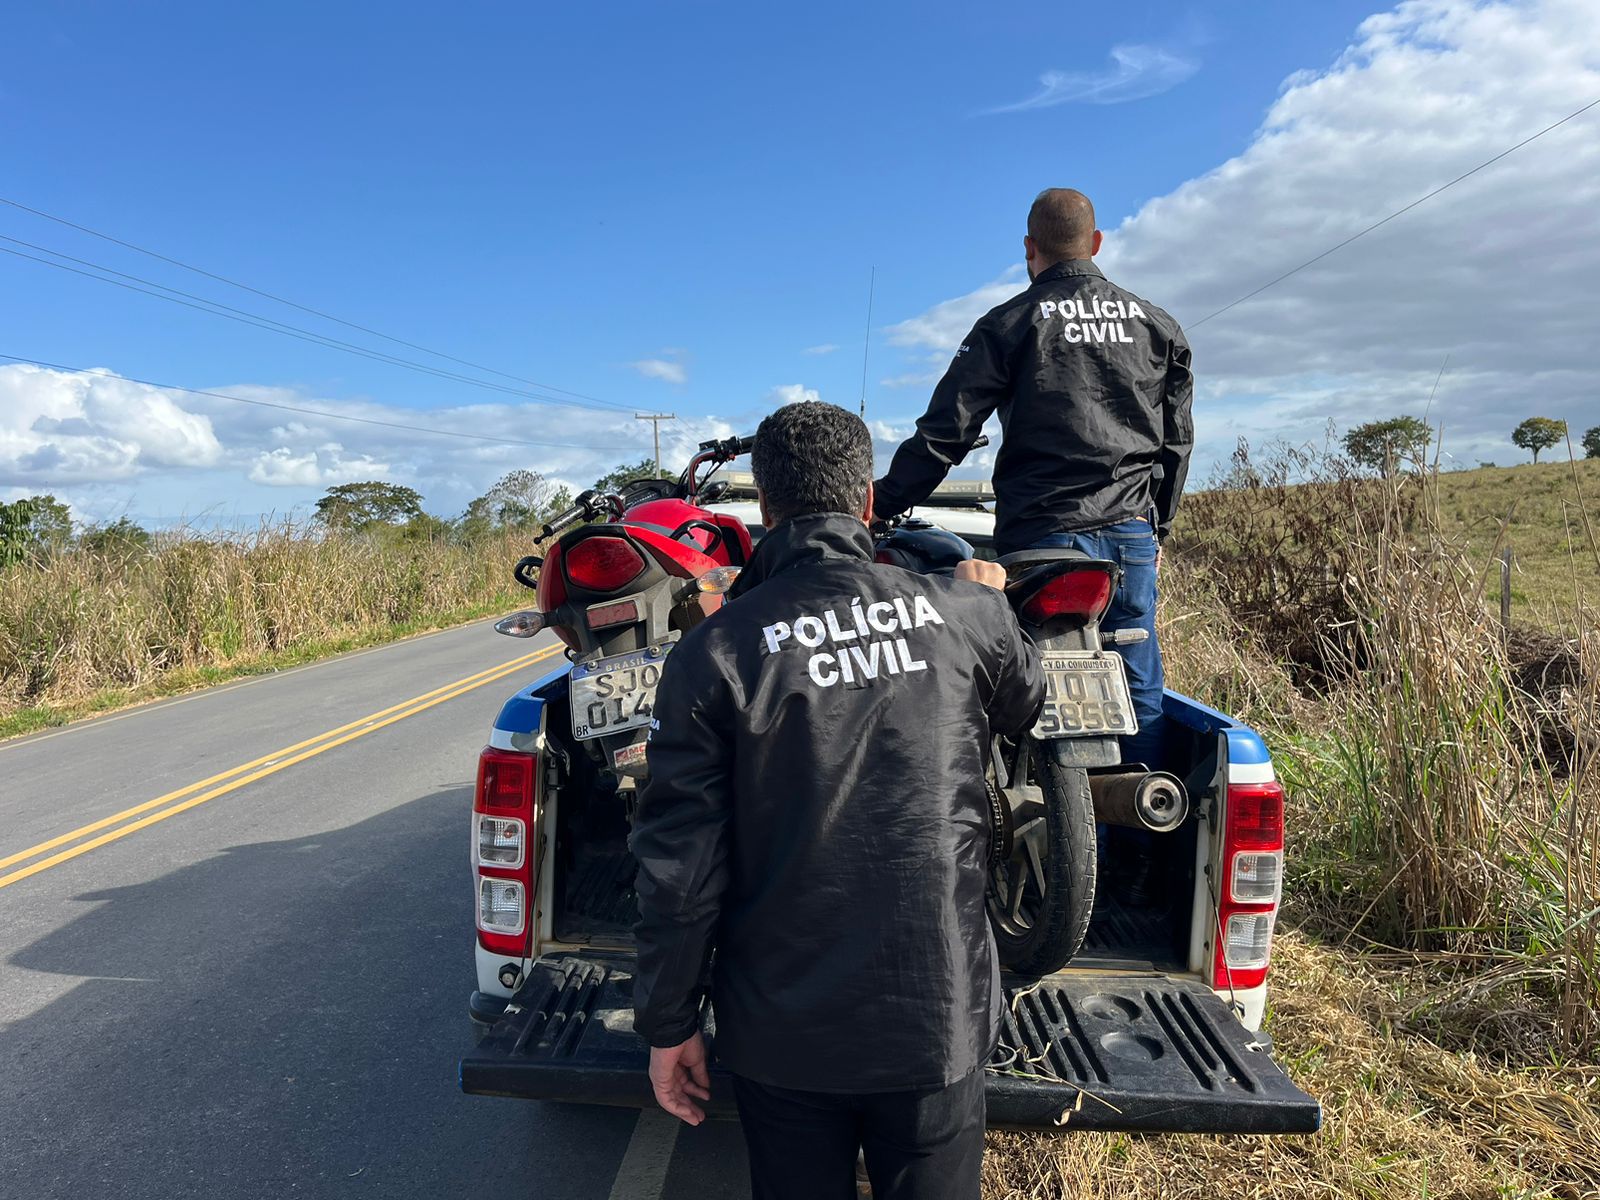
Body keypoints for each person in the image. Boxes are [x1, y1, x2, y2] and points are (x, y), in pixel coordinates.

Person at [630, 401, 1045, 1200]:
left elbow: (680, 870)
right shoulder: (967, 615)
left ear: (766, 508)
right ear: (864, 501)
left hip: (781, 1033)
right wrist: (989, 596)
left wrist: (668, 1024)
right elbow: (1026, 705)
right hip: (938, 1015)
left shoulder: (713, 651)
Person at [874, 188, 1192, 769]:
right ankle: (1142, 844)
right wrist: (1158, 530)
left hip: (1042, 535)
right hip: (1129, 535)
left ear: (1029, 248)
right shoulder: (1158, 326)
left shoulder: (1009, 324)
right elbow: (1175, 445)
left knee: (1023, 680)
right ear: (1095, 244)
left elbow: (946, 434)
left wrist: (878, 503)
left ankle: (1036, 819)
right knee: (1138, 680)